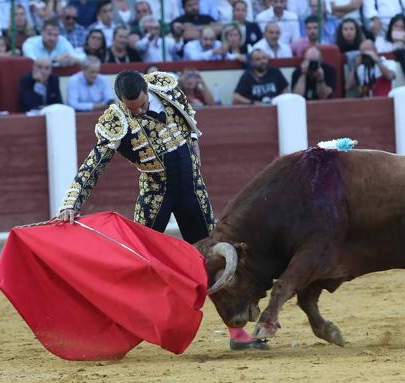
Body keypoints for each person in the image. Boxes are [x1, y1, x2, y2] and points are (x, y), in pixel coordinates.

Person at [58, 70, 267, 351]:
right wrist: (71, 202)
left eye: (143, 105)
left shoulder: (165, 88)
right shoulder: (116, 119)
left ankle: (237, 332)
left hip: (192, 188)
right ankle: (118, 330)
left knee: (215, 259)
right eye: (134, 109)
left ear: (147, 90)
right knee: (138, 264)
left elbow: (191, 126)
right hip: (156, 193)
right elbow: (93, 165)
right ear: (121, 101)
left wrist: (196, 163)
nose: (140, 111)